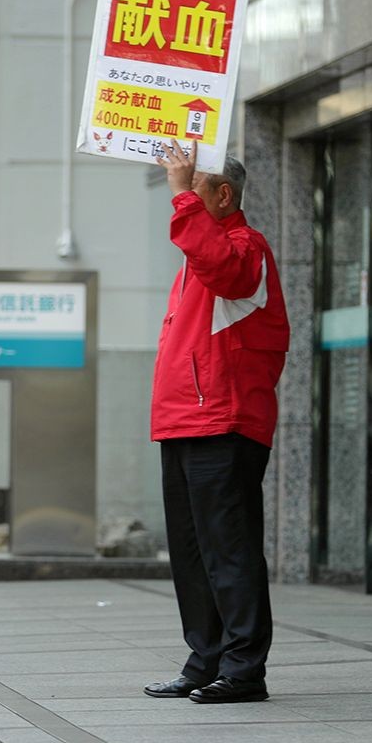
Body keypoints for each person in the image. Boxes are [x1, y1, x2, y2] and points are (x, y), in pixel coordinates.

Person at [143, 143, 289, 705]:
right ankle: (205, 660)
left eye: (195, 187)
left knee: (229, 549)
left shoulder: (244, 248)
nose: (183, 199)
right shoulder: (197, 259)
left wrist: (182, 194)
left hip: (222, 421)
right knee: (192, 551)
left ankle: (244, 668)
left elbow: (223, 268)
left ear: (222, 195)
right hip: (184, 420)